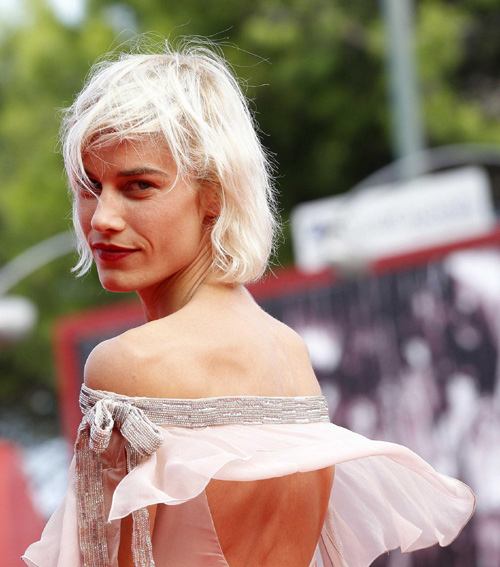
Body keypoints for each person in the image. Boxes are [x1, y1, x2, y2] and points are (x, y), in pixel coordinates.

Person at [22, 39, 474, 567]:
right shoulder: (289, 353)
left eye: (138, 186)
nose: (102, 217)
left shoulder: (128, 364)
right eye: (89, 185)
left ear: (214, 194)